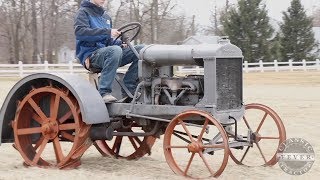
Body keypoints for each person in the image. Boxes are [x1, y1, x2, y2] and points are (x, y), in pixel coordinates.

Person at [74, 0, 143, 102]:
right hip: (91, 55)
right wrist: (108, 32)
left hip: (109, 53)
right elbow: (81, 33)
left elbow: (108, 42)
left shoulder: (106, 17)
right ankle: (104, 92)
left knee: (142, 50)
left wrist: (120, 44)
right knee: (114, 51)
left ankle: (129, 87)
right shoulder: (83, 12)